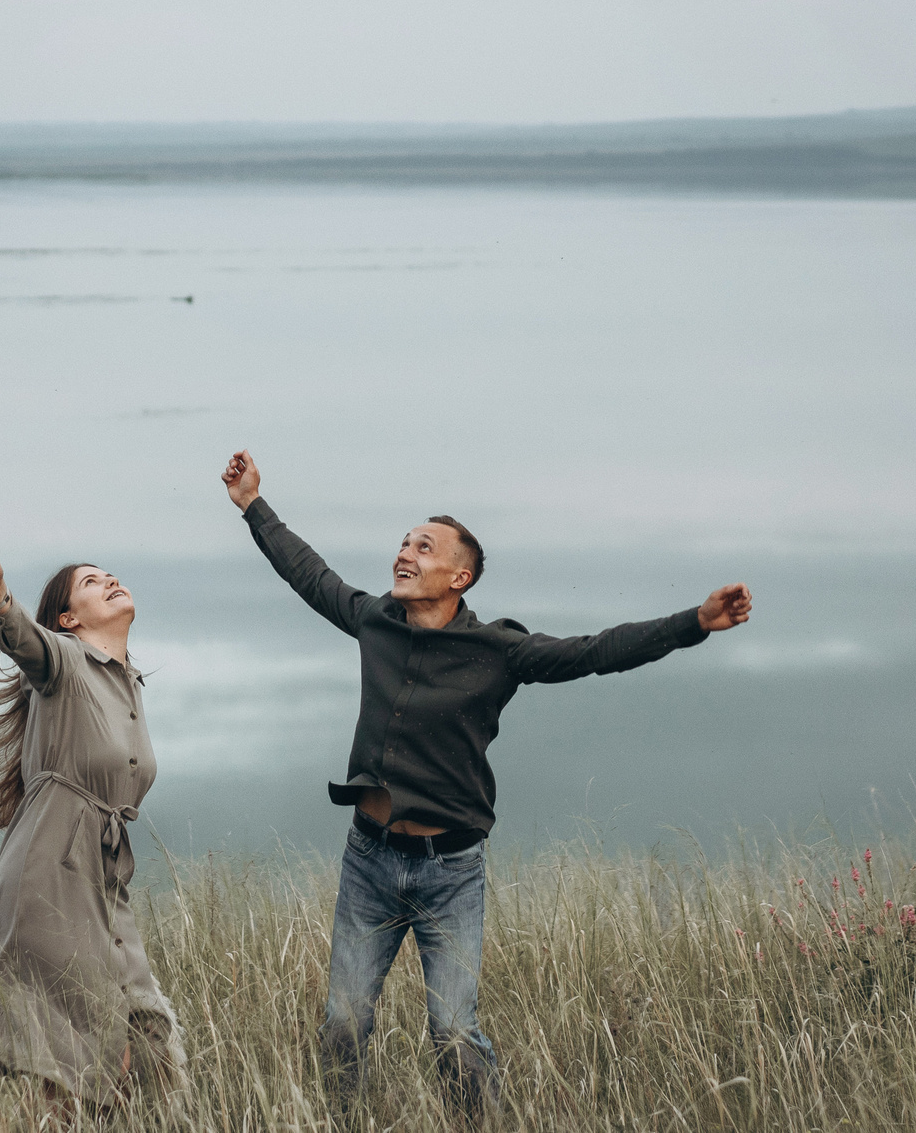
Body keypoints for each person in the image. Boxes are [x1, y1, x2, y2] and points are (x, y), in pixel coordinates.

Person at [220, 449, 752, 1123]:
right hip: (369, 862)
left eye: (424, 546)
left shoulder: (500, 650)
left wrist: (693, 623)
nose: (404, 553)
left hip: (451, 872)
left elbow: (594, 650)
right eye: (404, 542)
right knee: (344, 1027)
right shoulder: (373, 619)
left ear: (459, 574)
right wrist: (251, 503)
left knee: (453, 1033)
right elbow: (309, 573)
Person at [0, 544, 187, 1110]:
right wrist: (2, 601)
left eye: (112, 576)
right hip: (50, 880)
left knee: (147, 1051)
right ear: (68, 620)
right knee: (90, 1062)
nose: (110, 581)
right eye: (92, 582)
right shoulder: (64, 663)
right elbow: (27, 644)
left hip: (102, 886)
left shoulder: (127, 684)